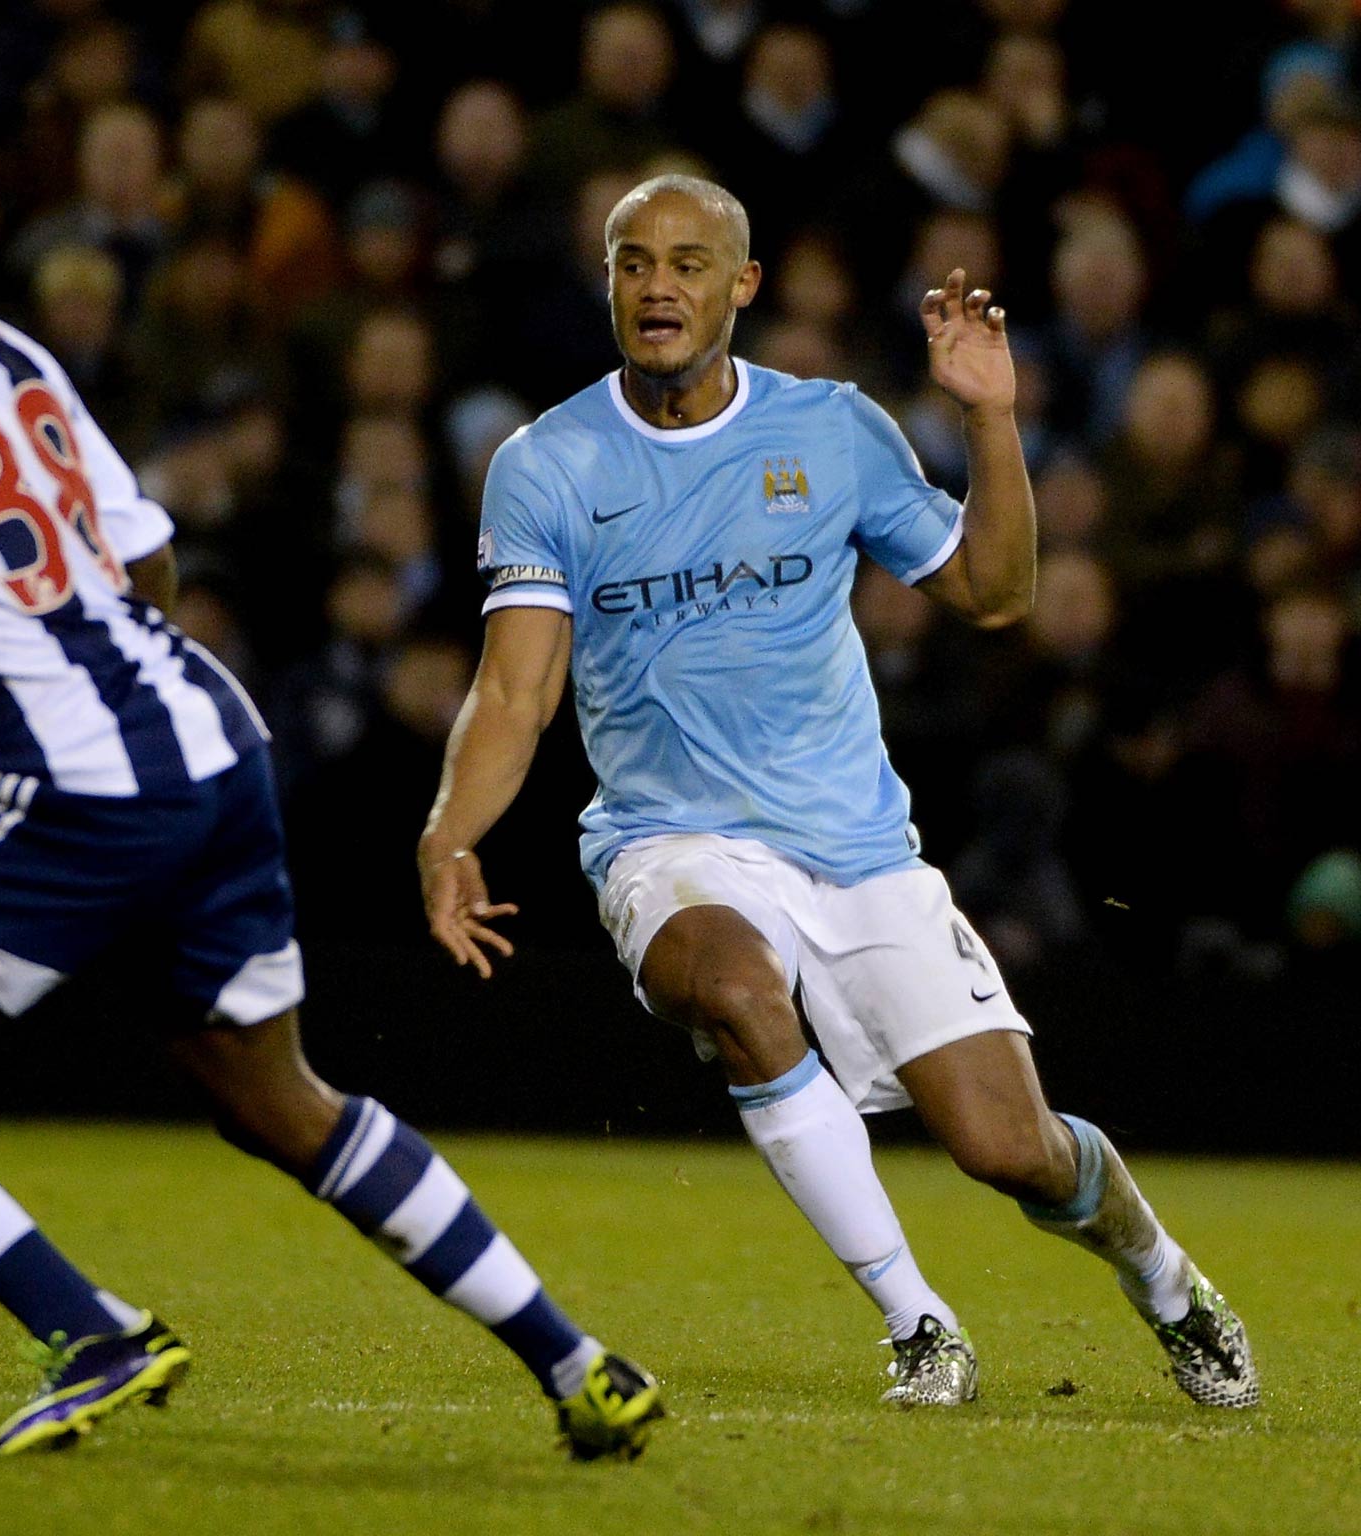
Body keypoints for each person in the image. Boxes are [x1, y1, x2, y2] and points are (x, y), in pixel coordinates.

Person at [0, 101, 663, 1461]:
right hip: (211, 738)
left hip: (67, 775)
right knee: (275, 1100)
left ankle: (91, 1331)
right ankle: (577, 1362)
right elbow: (148, 561)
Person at [417, 172, 1259, 1411]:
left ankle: (1162, 1274)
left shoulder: (829, 429)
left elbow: (994, 592)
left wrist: (988, 422)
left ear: (742, 286)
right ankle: (918, 1324)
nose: (658, 286)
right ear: (605, 284)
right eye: (633, 262)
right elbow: (513, 693)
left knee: (1008, 1150)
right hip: (669, 843)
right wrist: (449, 834)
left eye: (688, 263)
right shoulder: (544, 463)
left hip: (858, 850)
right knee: (736, 990)